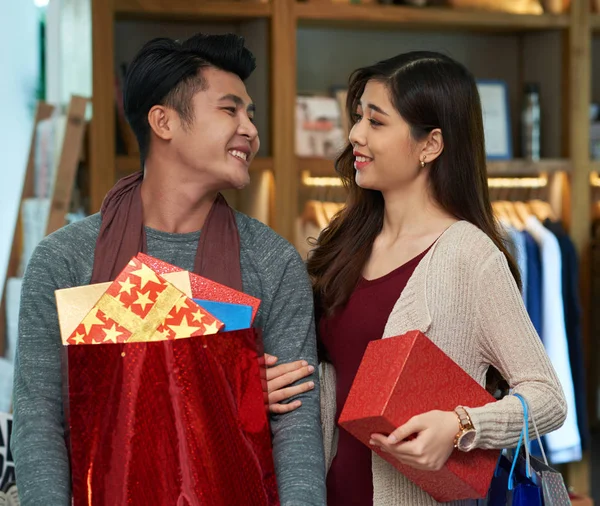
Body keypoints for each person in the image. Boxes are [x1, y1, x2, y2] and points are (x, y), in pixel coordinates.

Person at [12, 33, 326, 505]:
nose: (250, 130)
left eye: (251, 115)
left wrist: (226, 392)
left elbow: (297, 434)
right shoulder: (66, 261)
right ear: (163, 121)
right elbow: (39, 424)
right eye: (230, 109)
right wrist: (229, 388)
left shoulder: (271, 261)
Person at [274, 51, 569, 505]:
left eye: (376, 122)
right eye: (357, 118)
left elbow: (548, 397)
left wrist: (461, 425)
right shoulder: (344, 240)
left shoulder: (471, 257)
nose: (355, 135)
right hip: (327, 491)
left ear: (430, 145)